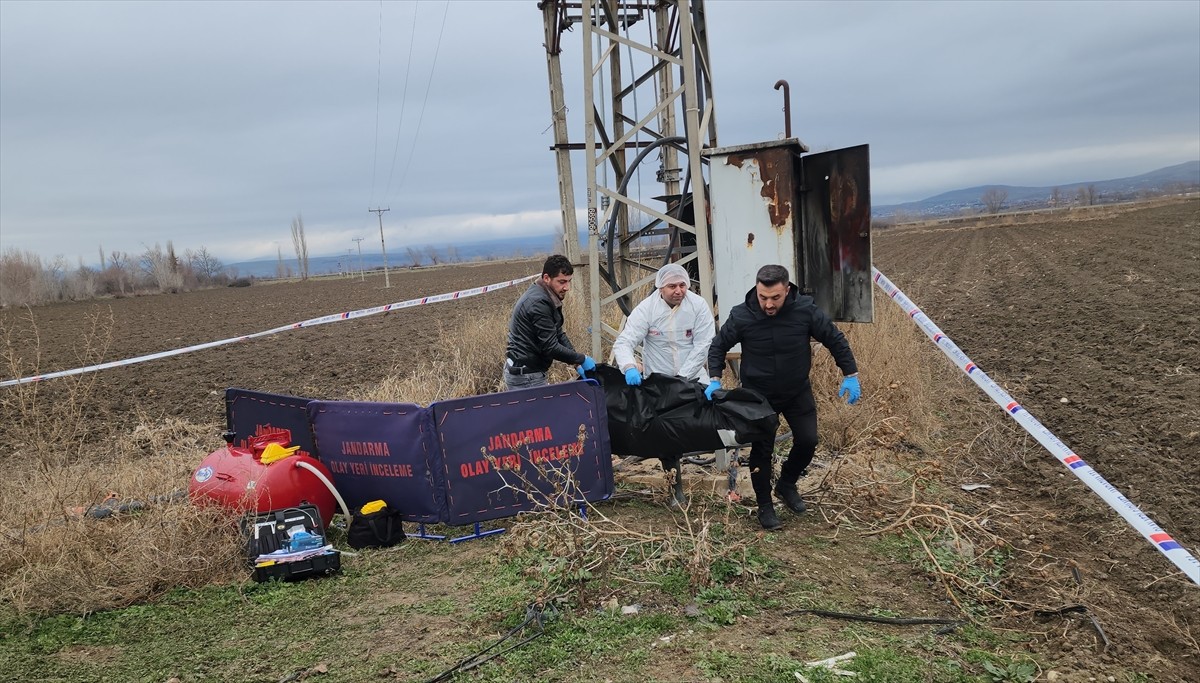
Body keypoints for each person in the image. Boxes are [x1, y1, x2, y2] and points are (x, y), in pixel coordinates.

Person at [706, 264, 861, 530]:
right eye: (763, 296)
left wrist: (850, 373)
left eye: (775, 298)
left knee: (809, 440)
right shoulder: (742, 315)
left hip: (796, 390)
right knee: (762, 450)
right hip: (758, 396)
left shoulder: (805, 310)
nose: (768, 304)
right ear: (757, 289)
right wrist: (714, 379)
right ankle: (765, 506)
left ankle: (786, 484)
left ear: (787, 291)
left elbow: (834, 338)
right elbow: (719, 345)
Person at [611, 262, 716, 507]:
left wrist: (683, 377)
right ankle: (675, 490)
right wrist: (628, 366)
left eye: (682, 285)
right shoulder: (647, 309)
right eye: (672, 286)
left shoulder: (697, 306)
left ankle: (726, 467)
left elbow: (704, 344)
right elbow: (624, 342)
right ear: (660, 288)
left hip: (691, 378)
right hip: (659, 384)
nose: (678, 290)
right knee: (667, 438)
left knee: (710, 421)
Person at [503, 254, 595, 390]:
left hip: (527, 371)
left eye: (569, 281)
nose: (567, 287)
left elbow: (558, 333)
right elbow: (550, 347)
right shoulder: (539, 303)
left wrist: (577, 362)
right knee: (538, 412)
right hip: (526, 376)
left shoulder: (546, 295)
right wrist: (582, 358)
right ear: (546, 278)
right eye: (562, 282)